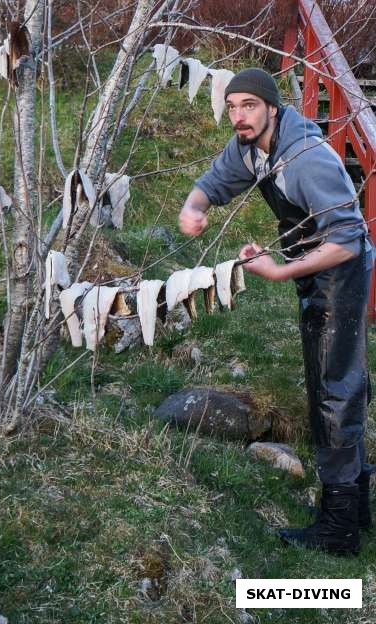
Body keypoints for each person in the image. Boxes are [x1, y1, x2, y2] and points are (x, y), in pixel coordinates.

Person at [178, 67, 373, 556]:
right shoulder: (250, 146)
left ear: (271, 106)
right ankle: (356, 506)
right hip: (313, 265)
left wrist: (279, 271)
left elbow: (347, 239)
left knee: (335, 390)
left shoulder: (304, 159)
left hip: (340, 271)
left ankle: (339, 531)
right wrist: (194, 207)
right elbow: (215, 181)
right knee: (332, 382)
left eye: (249, 106)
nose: (239, 117)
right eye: (231, 106)